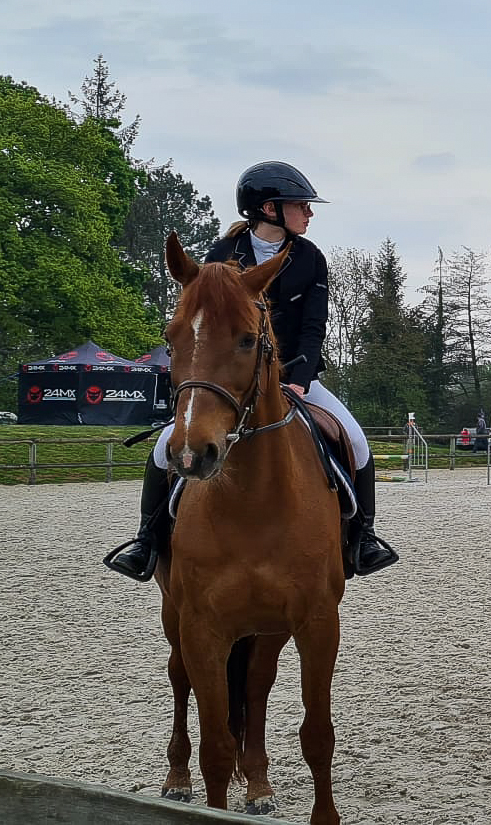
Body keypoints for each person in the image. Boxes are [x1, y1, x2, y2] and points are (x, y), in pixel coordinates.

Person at [107, 161, 398, 579]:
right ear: (269, 209)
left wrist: (298, 382)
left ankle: (363, 538)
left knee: (355, 439)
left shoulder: (310, 259)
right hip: (229, 381)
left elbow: (315, 326)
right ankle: (146, 540)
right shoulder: (222, 256)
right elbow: (202, 327)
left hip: (293, 377)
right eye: (301, 206)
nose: (309, 213)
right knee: (162, 450)